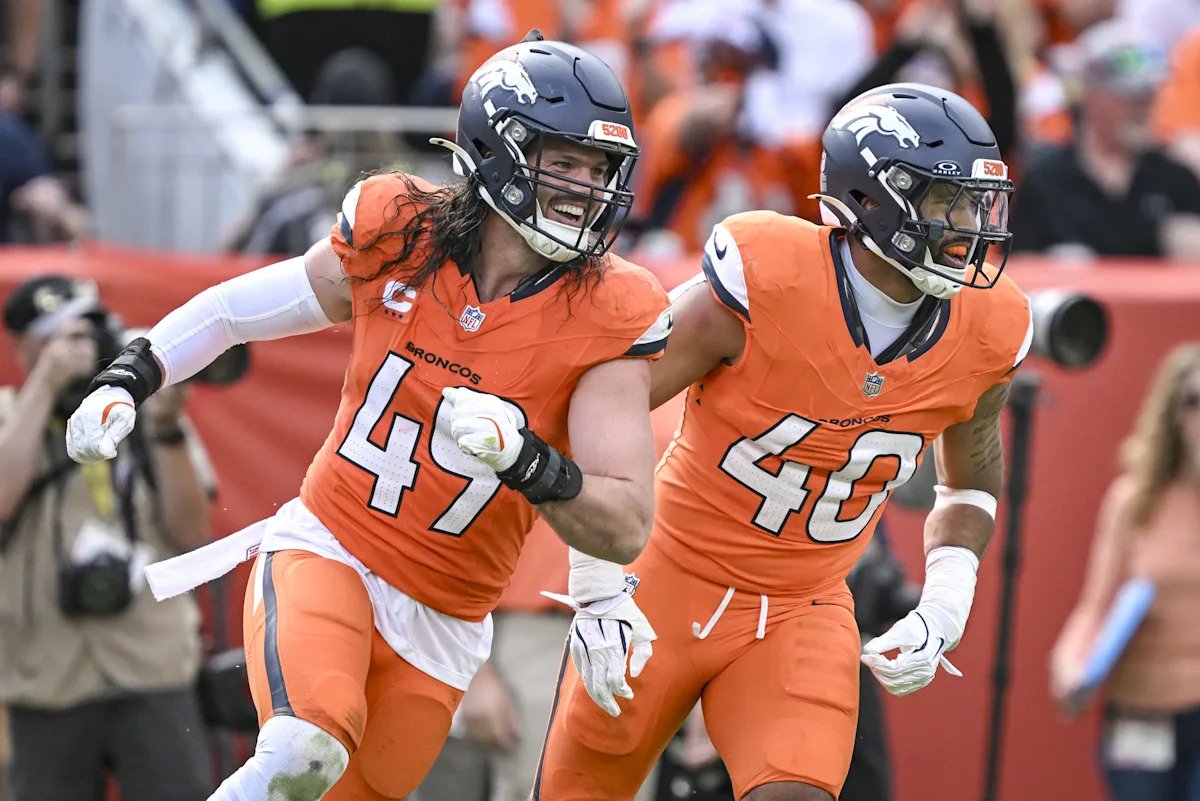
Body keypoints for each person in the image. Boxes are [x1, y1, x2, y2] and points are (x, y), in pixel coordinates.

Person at [64, 32, 671, 801]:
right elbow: (234, 312)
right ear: (499, 148)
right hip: (334, 549)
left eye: (599, 168)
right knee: (303, 750)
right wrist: (133, 371)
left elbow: (623, 520)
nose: (586, 187)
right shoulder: (402, 229)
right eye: (566, 162)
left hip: (448, 621)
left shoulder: (611, 307)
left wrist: (528, 462)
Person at [534, 82, 1033, 801]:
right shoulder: (768, 275)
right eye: (945, 203)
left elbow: (971, 481)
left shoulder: (989, 325)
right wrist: (597, 581)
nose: (969, 228)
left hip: (805, 604)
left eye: (979, 205)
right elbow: (608, 398)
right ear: (870, 198)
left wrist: (946, 604)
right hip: (665, 579)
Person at [0, 275, 214, 801]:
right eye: (60, 337)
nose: (80, 349)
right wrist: (44, 388)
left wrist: (167, 428)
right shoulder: (10, 414)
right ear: (23, 347)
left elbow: (194, 534)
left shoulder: (137, 411)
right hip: (45, 675)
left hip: (154, 663)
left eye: (88, 333)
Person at [1050, 342, 1200, 801]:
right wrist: (1071, 668)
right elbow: (1095, 607)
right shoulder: (1133, 501)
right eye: (1194, 402)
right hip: (1139, 712)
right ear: (1173, 414)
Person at [1010, 21, 1200, 260]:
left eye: (1150, 95)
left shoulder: (1175, 179)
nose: (1144, 107)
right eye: (1132, 96)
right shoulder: (1046, 179)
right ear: (1092, 96)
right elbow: (1017, 265)